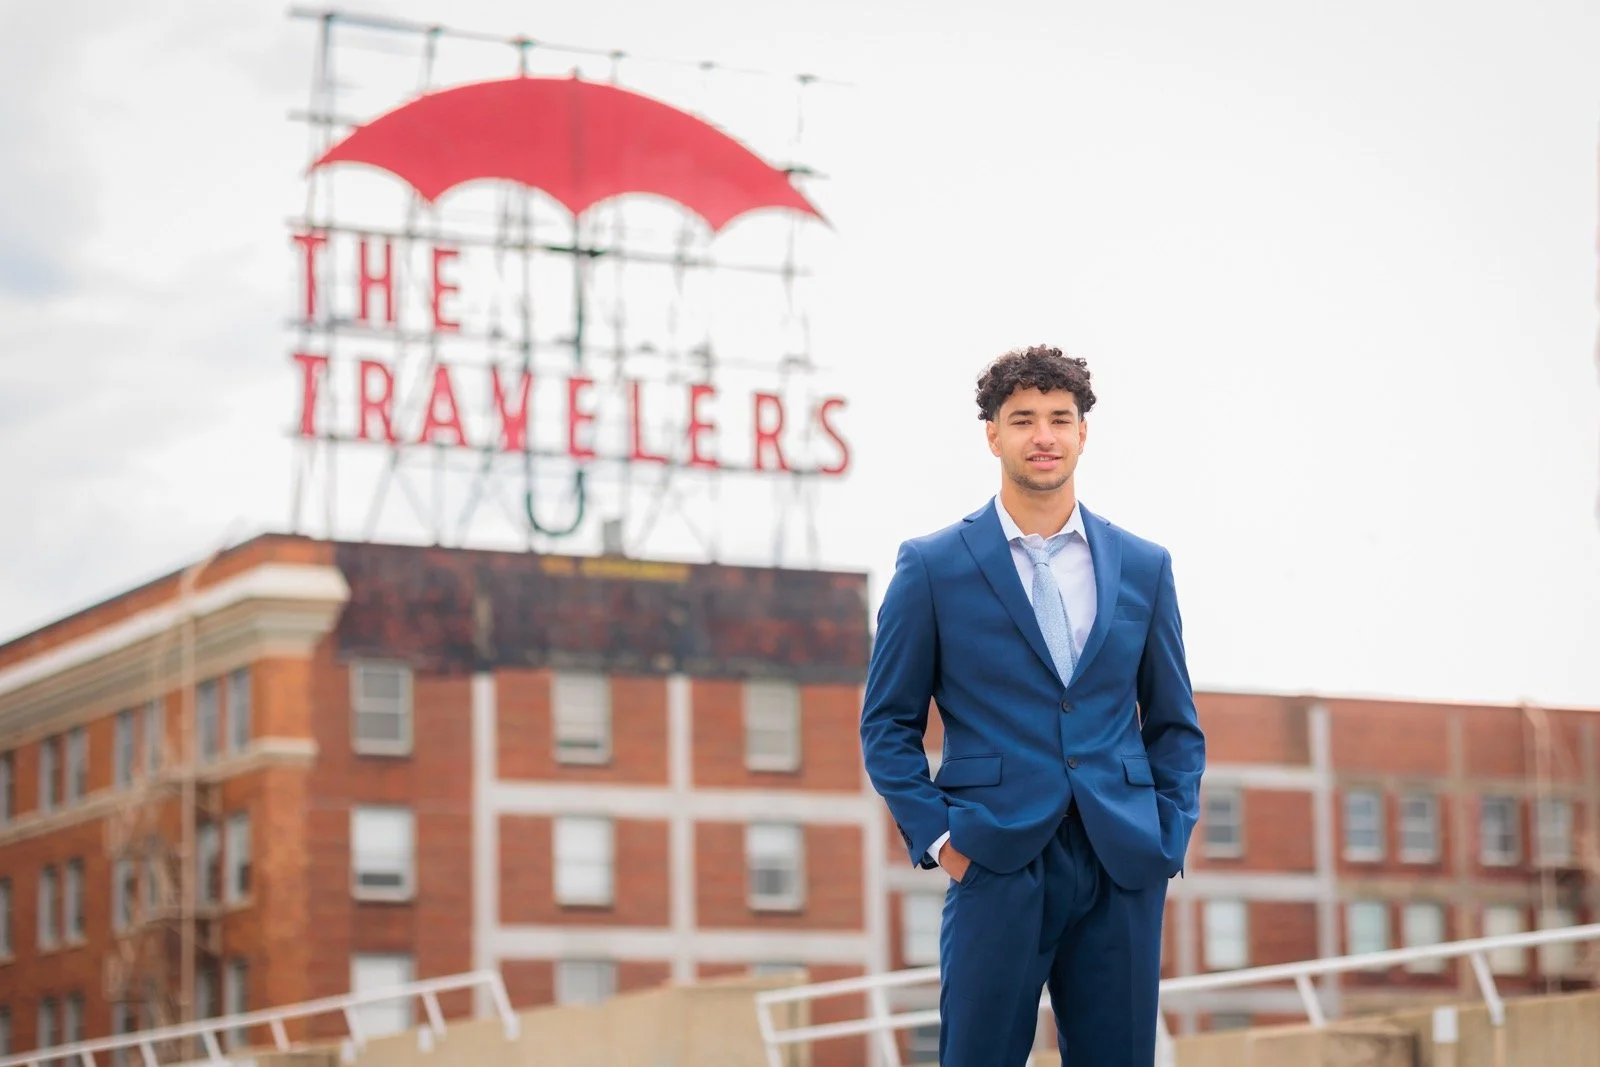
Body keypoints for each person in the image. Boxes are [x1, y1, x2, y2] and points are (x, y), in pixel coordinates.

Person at [860, 344, 1205, 1066]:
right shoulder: (932, 566)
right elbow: (887, 725)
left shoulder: (1144, 565)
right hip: (994, 856)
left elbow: (1174, 723)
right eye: (1023, 419)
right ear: (993, 434)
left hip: (1122, 859)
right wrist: (941, 842)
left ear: (1084, 432)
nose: (1043, 435)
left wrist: (1167, 833)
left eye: (1059, 418)